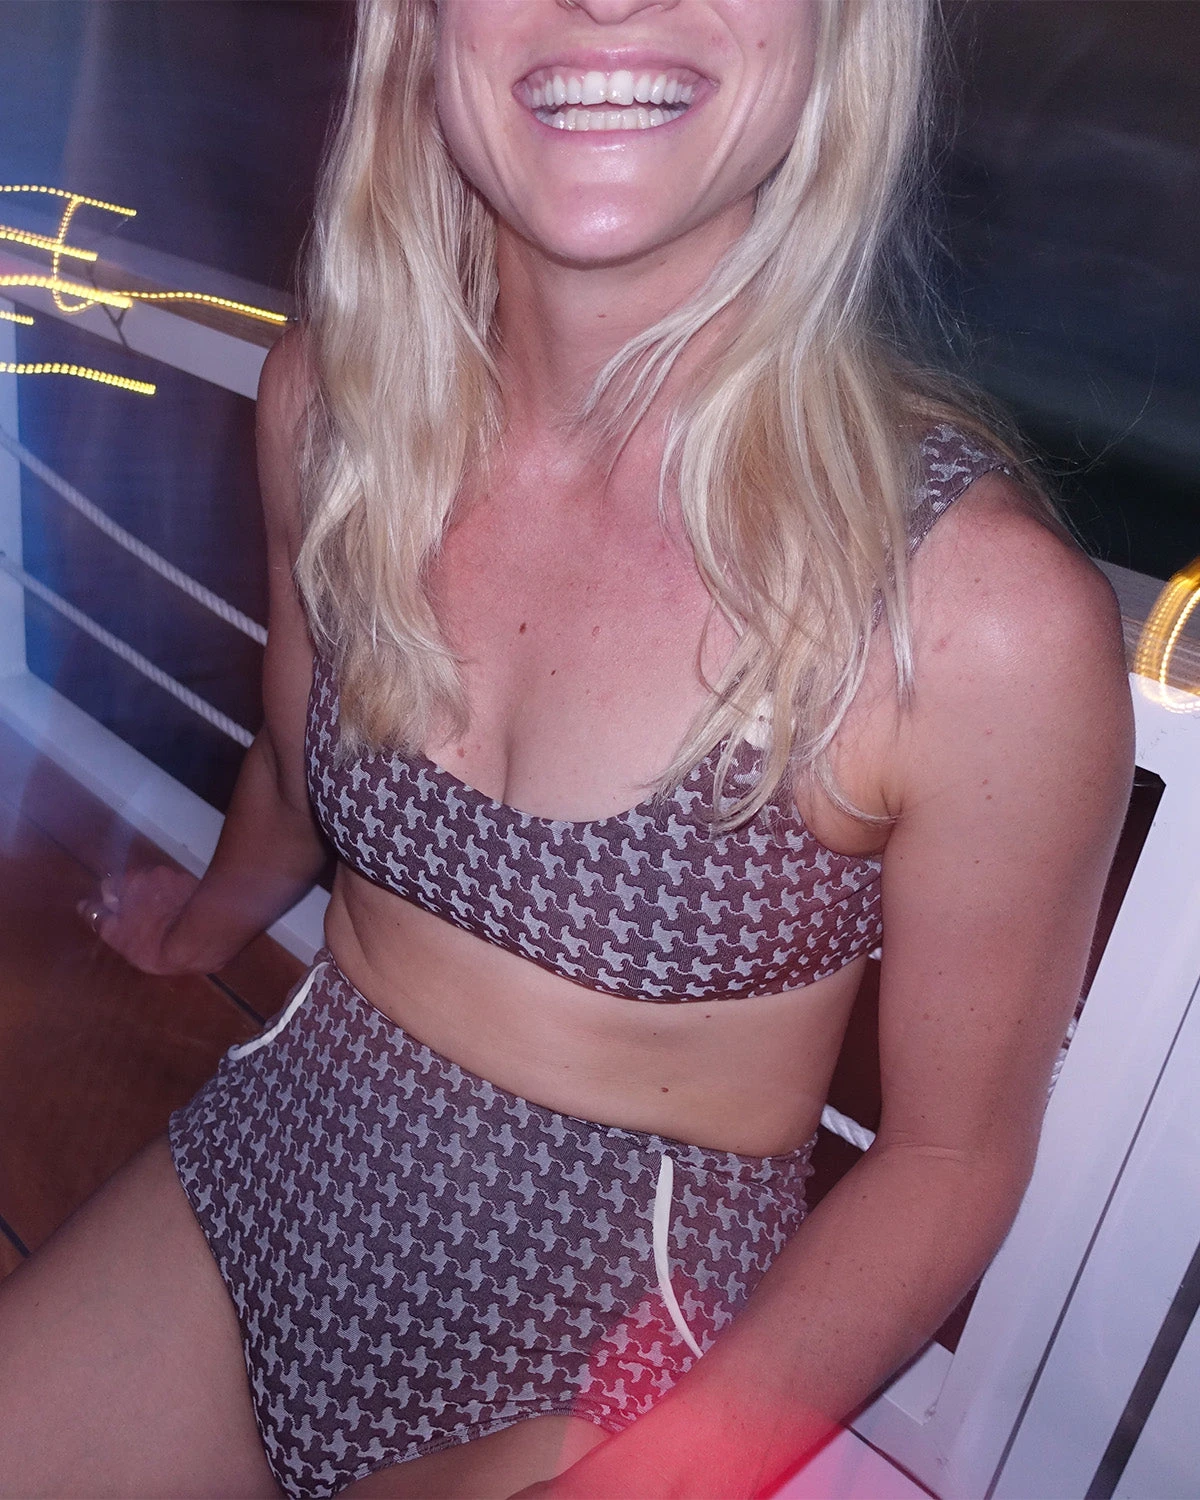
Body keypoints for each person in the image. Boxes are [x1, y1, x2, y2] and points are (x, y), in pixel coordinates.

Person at [0, 1, 1133, 1496]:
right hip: (283, 1152)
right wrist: (201, 924)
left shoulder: (969, 613)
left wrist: (661, 1477)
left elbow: (950, 1160)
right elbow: (289, 759)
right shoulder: (338, 411)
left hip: (608, 1341)